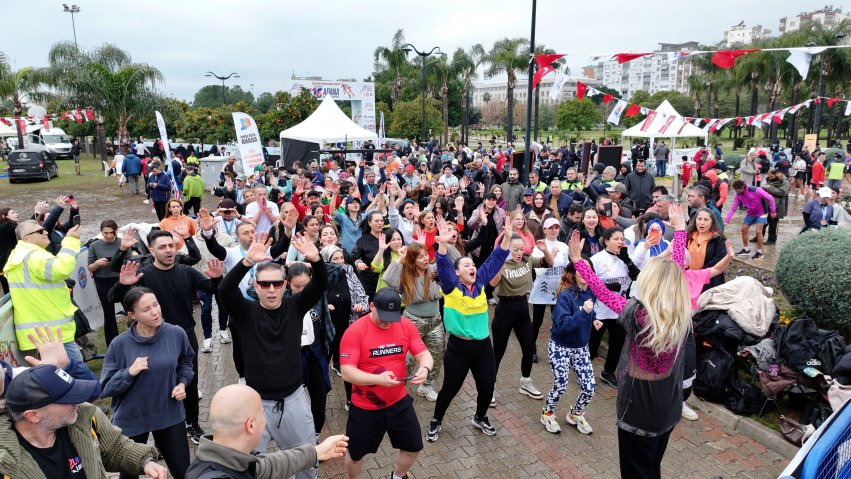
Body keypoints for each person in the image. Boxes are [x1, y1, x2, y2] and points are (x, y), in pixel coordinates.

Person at [568, 210, 691, 479]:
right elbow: (676, 272)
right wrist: (680, 231)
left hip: (639, 406)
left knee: (635, 471)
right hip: (667, 403)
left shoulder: (639, 315)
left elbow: (603, 293)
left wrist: (578, 261)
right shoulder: (680, 311)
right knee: (653, 467)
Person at [218, 232, 325, 479]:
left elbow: (320, 284)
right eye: (265, 284)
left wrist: (317, 259)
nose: (271, 289)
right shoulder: (245, 312)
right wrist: (246, 262)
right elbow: (225, 290)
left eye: (277, 283)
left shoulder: (295, 307)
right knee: (249, 469)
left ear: (285, 285)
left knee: (307, 463)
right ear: (255, 286)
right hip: (255, 404)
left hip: (294, 400)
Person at [108, 230, 224, 445]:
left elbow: (212, 289)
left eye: (171, 246)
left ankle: (192, 423)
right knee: (156, 384)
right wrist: (123, 285)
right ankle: (158, 434)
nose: (168, 250)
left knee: (189, 382)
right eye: (162, 247)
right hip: (153, 339)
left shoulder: (186, 271)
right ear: (151, 250)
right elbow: (113, 298)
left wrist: (217, 279)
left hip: (185, 335)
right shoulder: (143, 275)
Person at [0, 362, 168, 478]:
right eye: (67, 399)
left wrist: (145, 462)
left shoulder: (85, 417)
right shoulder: (5, 464)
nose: (77, 402)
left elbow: (113, 448)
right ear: (33, 415)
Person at [426, 222, 511, 442]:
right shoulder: (451, 288)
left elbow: (495, 260)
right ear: (457, 272)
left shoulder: (480, 283)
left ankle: (480, 417)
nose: (472, 267)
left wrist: (507, 238)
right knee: (450, 389)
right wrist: (443, 244)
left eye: (472, 264)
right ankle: (436, 420)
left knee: (487, 387)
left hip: (483, 347)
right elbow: (444, 266)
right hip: (458, 349)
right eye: (466, 265)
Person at [100, 287, 195, 479]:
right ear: (132, 315)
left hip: (168, 414)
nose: (155, 312)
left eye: (156, 304)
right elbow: (105, 387)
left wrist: (182, 383)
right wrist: (129, 372)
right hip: (131, 419)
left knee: (184, 474)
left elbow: (186, 362)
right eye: (146, 309)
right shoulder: (119, 344)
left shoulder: (176, 334)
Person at [340, 289, 434, 479]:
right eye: (383, 316)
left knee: (413, 447)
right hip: (365, 407)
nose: (387, 322)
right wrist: (378, 379)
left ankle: (397, 476)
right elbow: (347, 372)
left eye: (392, 317)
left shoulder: (406, 326)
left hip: (398, 402)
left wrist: (424, 369)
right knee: (356, 456)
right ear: (371, 307)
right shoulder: (355, 331)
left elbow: (424, 354)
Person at [186, 385, 349, 479]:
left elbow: (266, 466)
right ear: (251, 425)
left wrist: (317, 452)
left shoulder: (231, 462)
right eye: (263, 414)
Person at [3, 220, 85, 364]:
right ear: (26, 238)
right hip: (51, 332)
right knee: (77, 371)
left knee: (55, 374)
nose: (46, 232)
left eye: (45, 229)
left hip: (40, 331)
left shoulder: (19, 255)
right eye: (40, 231)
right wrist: (71, 241)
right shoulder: (34, 255)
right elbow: (61, 269)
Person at [488, 233, 554, 404]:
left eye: (521, 249)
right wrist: (499, 262)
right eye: (515, 250)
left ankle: (525, 382)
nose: (519, 253)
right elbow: (493, 284)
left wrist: (545, 250)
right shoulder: (503, 263)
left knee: (529, 347)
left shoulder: (527, 260)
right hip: (505, 309)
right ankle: (489, 387)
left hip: (522, 308)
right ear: (508, 249)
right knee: (498, 351)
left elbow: (549, 263)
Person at [540, 255, 601, 435]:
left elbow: (589, 309)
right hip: (560, 347)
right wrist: (584, 312)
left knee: (589, 388)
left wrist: (594, 318)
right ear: (573, 272)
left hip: (581, 347)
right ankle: (547, 414)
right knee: (561, 385)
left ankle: (576, 414)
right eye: (580, 269)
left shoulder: (590, 291)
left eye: (588, 269)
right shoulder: (565, 295)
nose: (584, 273)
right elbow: (562, 325)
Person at [587, 226, 640, 388]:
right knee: (592, 344)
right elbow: (588, 283)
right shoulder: (597, 259)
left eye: (622, 239)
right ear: (606, 240)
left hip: (619, 311)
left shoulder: (625, 257)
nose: (620, 242)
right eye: (616, 239)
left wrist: (627, 260)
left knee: (617, 344)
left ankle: (608, 372)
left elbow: (637, 277)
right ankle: (584, 370)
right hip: (600, 310)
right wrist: (608, 287)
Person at [529, 218, 569, 364]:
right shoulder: (539, 246)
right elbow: (538, 271)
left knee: (558, 321)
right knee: (537, 321)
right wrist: (550, 254)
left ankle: (559, 349)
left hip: (558, 290)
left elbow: (566, 267)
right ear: (544, 229)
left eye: (556, 227)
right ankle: (531, 349)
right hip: (542, 289)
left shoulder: (563, 246)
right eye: (551, 227)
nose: (554, 230)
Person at [87, 220, 122, 346]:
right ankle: (113, 345)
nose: (109, 236)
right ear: (101, 232)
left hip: (121, 280)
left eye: (111, 232)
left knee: (131, 309)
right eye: (105, 233)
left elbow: (130, 260)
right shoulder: (95, 246)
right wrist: (97, 264)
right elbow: (90, 268)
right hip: (103, 281)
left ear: (116, 231)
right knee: (109, 314)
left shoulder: (122, 243)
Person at [723, 180, 776, 261]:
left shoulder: (756, 190)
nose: (736, 192)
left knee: (758, 231)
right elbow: (733, 208)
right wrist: (727, 220)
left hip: (762, 212)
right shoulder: (738, 195)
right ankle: (746, 250)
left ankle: (760, 252)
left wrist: (773, 211)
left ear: (742, 187)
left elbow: (770, 198)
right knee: (743, 229)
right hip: (751, 213)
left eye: (737, 190)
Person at [761, 169, 790, 245]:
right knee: (762, 221)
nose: (770, 178)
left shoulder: (785, 182)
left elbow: (782, 193)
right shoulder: (771, 179)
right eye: (769, 176)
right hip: (767, 204)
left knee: (773, 223)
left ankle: (772, 239)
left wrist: (768, 188)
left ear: (778, 173)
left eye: (772, 176)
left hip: (778, 206)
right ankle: (759, 236)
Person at [0, 208, 20, 294]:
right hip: (6, 265)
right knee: (11, 291)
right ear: (4, 216)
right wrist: (37, 214)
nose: (16, 214)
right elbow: (24, 230)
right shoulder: (6, 226)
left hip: (4, 265)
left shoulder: (5, 226)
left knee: (9, 291)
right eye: (12, 213)